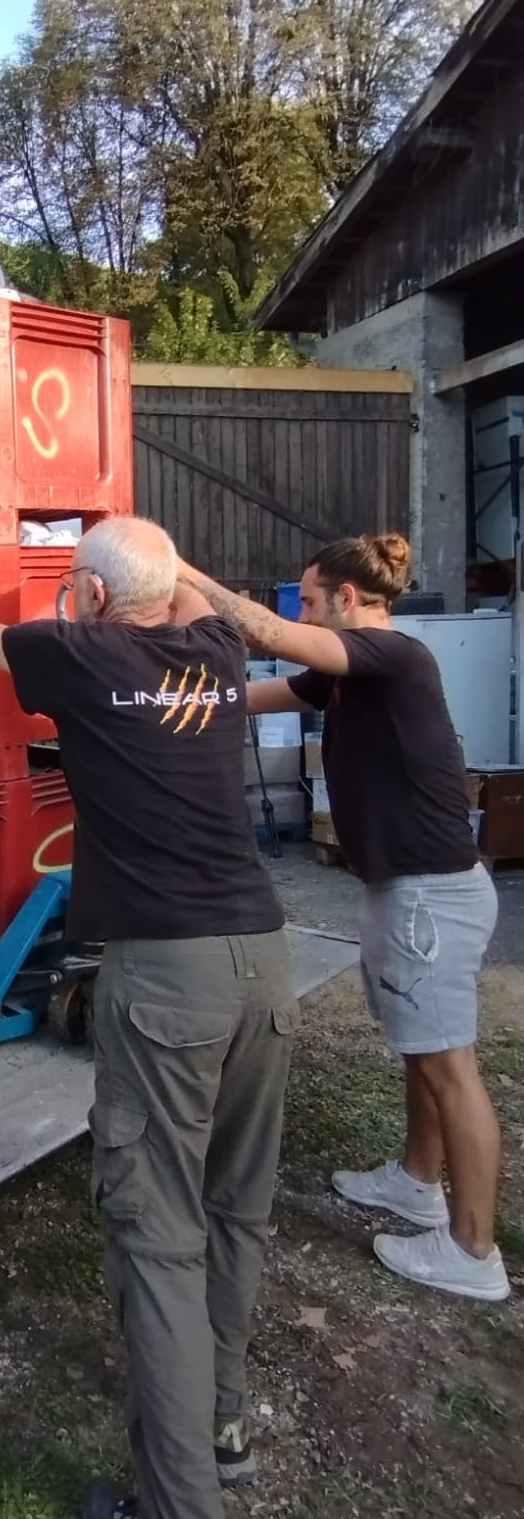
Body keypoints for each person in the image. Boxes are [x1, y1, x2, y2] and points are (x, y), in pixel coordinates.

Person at [0, 518, 295, 1519]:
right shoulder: (213, 649)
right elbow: (196, 596)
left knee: (160, 1237)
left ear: (81, 594)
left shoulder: (72, 651)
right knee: (233, 1209)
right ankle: (224, 1426)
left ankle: (179, 1505)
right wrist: (163, 567)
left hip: (169, 979)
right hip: (263, 958)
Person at [177, 534, 507, 1303]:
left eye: (312, 598)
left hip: (431, 897)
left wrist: (181, 572)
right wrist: (185, 702)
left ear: (347, 600)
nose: (304, 610)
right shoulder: (348, 677)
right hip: (410, 892)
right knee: (424, 1053)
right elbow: (274, 691)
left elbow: (261, 629)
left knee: (449, 1068)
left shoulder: (394, 656)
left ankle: (474, 1250)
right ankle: (418, 1182)